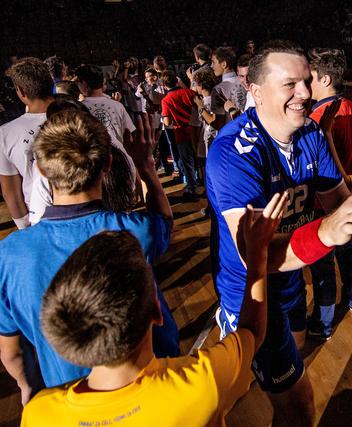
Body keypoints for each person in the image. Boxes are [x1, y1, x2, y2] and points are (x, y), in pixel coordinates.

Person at [206, 40, 352, 426]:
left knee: (294, 357)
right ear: (256, 92)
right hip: (251, 290)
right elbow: (256, 254)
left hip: (293, 276)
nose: (306, 93)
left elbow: (338, 204)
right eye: (291, 84)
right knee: (299, 402)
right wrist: (328, 232)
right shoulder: (234, 151)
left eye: (307, 82)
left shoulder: (310, 133)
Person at [21, 191, 287, 426]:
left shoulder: (39, 413)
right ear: (158, 313)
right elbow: (252, 332)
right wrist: (257, 255)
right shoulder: (201, 384)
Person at [0, 110, 178, 400]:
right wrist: (146, 166)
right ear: (108, 163)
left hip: (72, 393)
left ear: (42, 170)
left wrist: (29, 388)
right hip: (153, 384)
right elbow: (163, 221)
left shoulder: (10, 253)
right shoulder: (137, 230)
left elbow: (12, 352)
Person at [306, 47, 352, 340]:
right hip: (347, 191)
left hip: (322, 199)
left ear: (326, 79)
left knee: (323, 260)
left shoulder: (318, 116)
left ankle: (324, 321)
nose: (307, 84)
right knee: (348, 250)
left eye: (311, 78)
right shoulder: (350, 106)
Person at [0, 57, 53, 229]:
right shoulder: (80, 114)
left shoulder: (6, 133)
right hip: (91, 212)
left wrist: (25, 230)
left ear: (21, 91)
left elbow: (11, 192)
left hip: (41, 219)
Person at [160, 69, 199, 200]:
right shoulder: (189, 92)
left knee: (187, 163)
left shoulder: (166, 100)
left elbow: (167, 121)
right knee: (200, 160)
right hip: (196, 130)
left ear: (164, 86)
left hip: (181, 133)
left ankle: (192, 190)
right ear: (177, 81)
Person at [192, 67, 219, 184]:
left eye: (196, 84)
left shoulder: (209, 100)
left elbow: (212, 121)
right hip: (209, 137)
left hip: (212, 137)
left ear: (201, 86)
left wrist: (200, 106)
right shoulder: (208, 98)